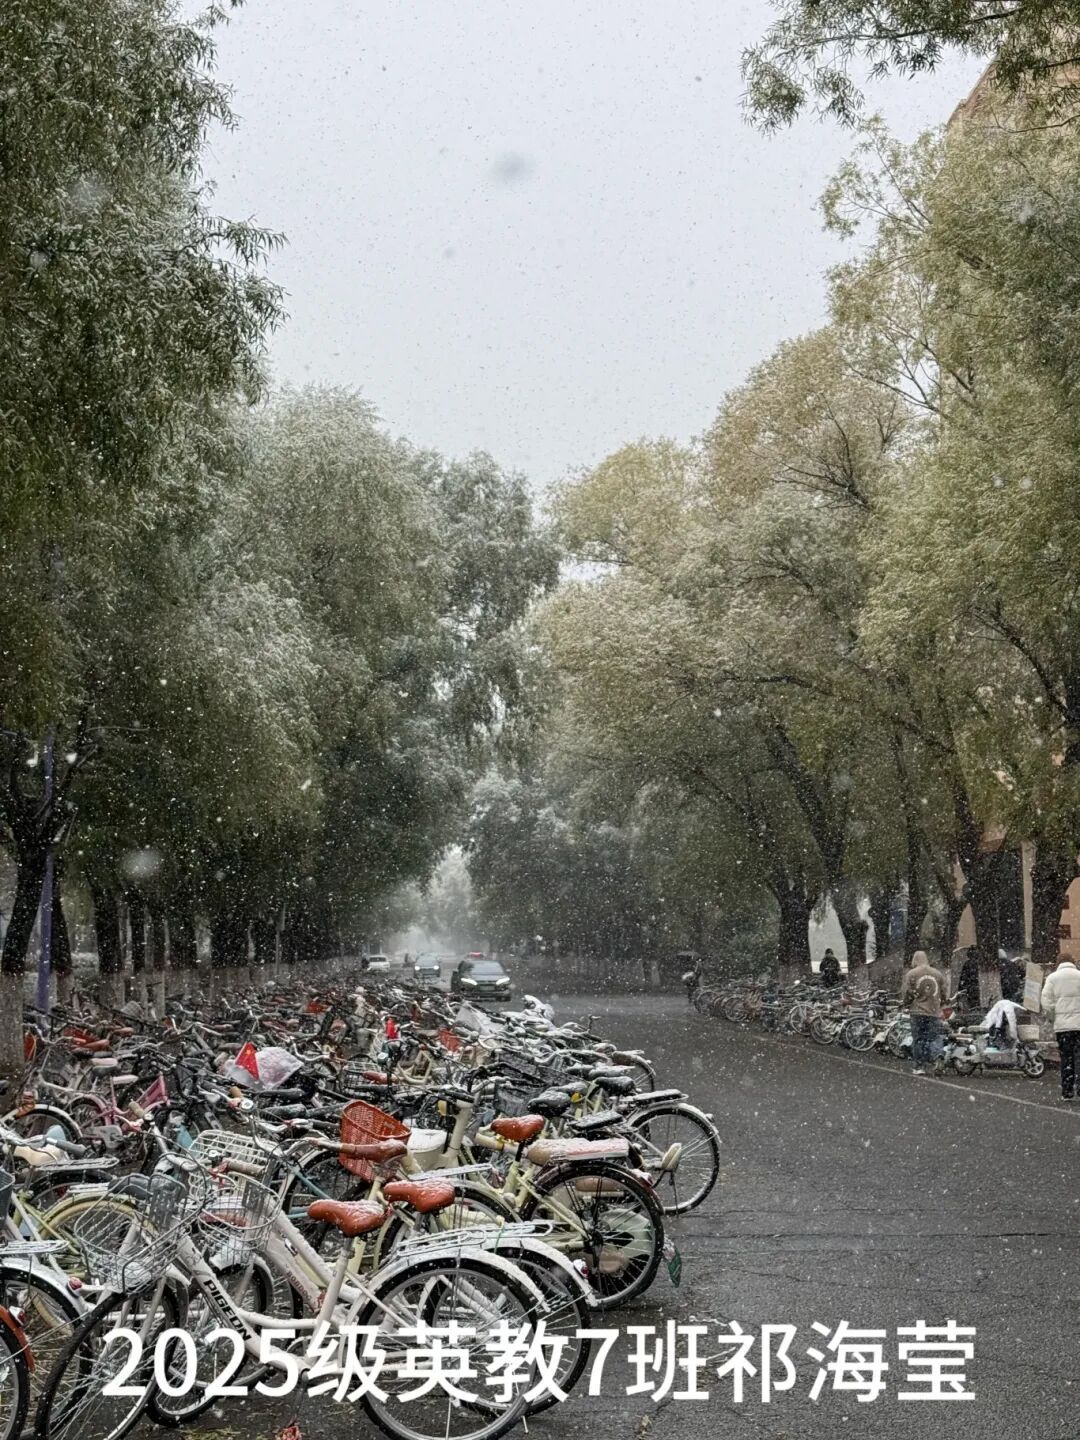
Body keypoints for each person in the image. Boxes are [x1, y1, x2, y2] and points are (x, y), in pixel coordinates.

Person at [901, 949, 948, 1076]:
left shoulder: (912, 974)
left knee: (919, 1039)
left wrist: (906, 1004)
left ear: (915, 960)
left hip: (917, 1012)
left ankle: (919, 1066)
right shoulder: (937, 974)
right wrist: (941, 1004)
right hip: (933, 1012)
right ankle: (938, 1056)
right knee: (934, 1037)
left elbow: (908, 993)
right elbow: (943, 992)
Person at [1040, 955, 1080, 1100]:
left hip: (1063, 1027)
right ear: (1073, 962)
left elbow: (1046, 1002)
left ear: (1058, 963)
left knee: (1066, 1058)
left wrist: (1053, 1016)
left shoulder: (1052, 978)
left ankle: (1067, 1091)